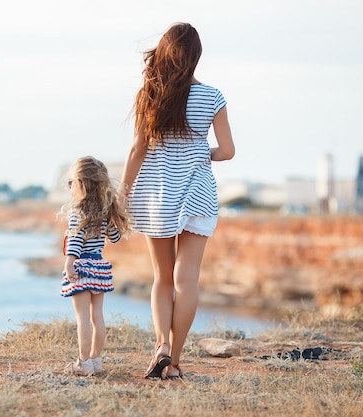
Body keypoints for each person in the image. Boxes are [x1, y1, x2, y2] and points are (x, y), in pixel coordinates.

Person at [119, 22, 235, 380]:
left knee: (162, 279)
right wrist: (202, 152)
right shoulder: (213, 96)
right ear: (197, 56)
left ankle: (161, 348)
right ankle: (177, 362)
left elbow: (139, 149)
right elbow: (228, 151)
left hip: (157, 196)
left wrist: (123, 191)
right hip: (198, 195)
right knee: (187, 281)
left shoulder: (149, 94)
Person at [60, 156, 131, 376]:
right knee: (97, 317)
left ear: (81, 184)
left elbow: (75, 240)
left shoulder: (77, 211)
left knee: (82, 318)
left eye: (72, 182)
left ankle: (83, 363)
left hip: (81, 266)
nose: (70, 186)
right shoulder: (105, 211)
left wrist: (69, 262)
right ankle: (96, 360)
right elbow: (116, 238)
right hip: (99, 267)